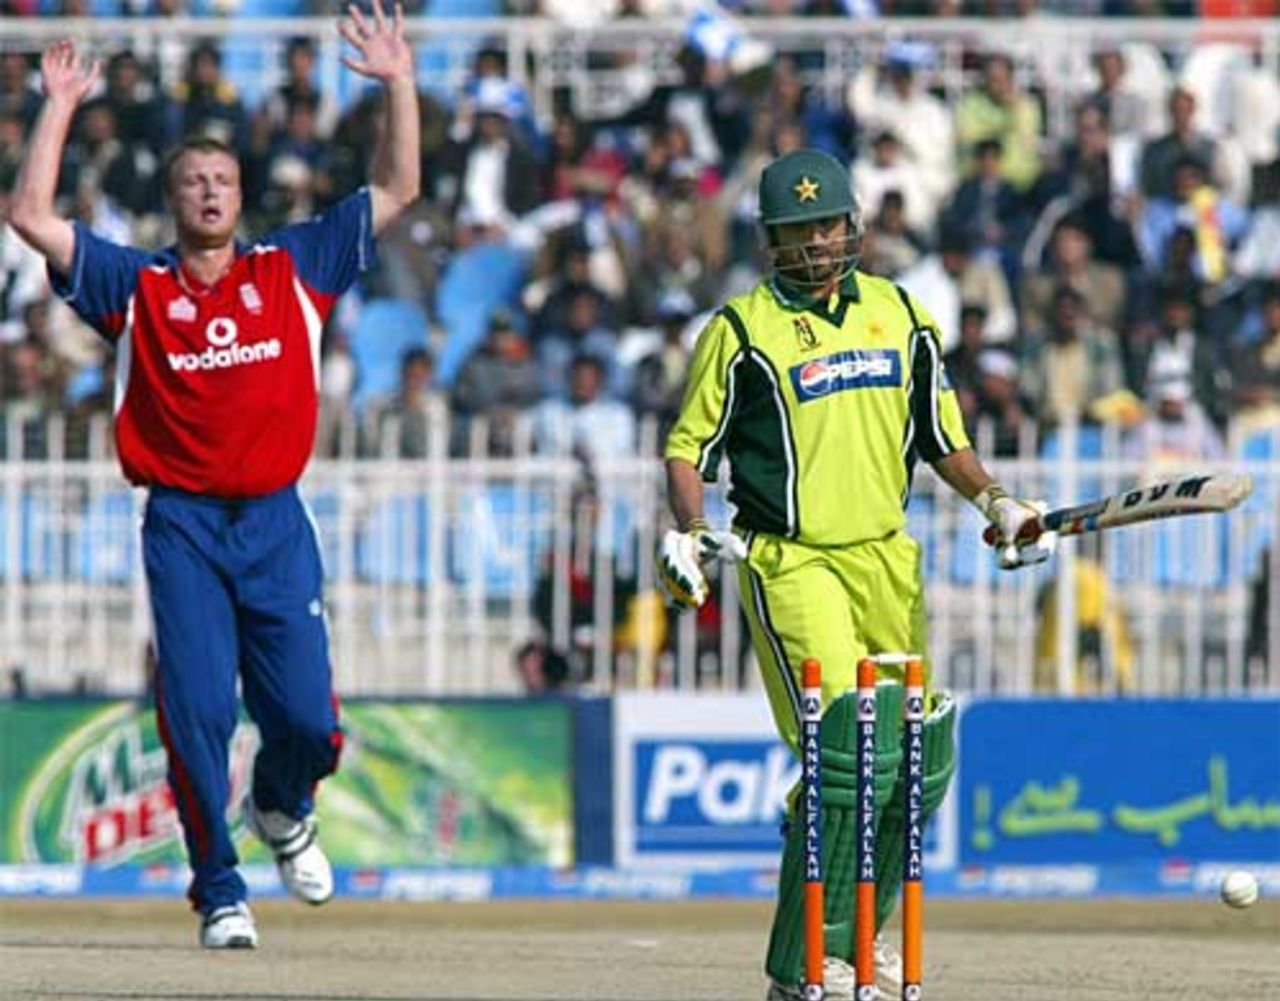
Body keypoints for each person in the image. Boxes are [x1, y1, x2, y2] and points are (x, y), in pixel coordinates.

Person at [8, 2, 419, 950]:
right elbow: (30, 215)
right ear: (173, 199)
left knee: (310, 725)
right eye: (192, 179)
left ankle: (283, 805)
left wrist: (397, 79)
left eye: (222, 179)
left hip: (275, 521)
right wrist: (61, 104)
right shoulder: (135, 285)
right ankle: (219, 885)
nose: (208, 192)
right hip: (183, 526)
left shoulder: (296, 266)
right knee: (194, 713)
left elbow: (398, 187)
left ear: (240, 196)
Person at [657, 148, 1051, 1001]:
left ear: (853, 228)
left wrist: (999, 504)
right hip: (792, 560)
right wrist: (689, 530)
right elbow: (688, 446)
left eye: (827, 226)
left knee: (917, 756)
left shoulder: (901, 316)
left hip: (885, 559)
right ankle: (809, 962)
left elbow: (942, 439)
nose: (816, 245)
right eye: (798, 232)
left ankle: (860, 940)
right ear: (773, 240)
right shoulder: (741, 329)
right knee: (849, 749)